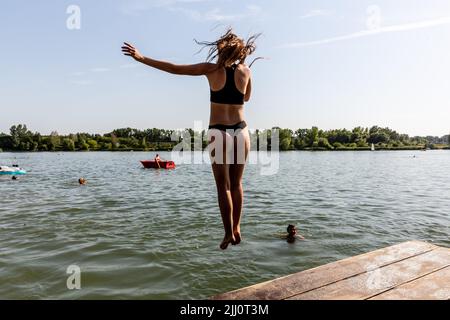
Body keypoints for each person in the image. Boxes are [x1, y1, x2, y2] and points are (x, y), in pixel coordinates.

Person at [122, 28, 261, 250]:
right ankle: (237, 228)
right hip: (241, 131)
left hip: (219, 132)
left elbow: (175, 68)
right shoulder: (246, 72)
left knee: (222, 186)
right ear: (240, 51)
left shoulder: (211, 69)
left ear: (221, 50)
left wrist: (142, 58)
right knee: (236, 184)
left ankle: (227, 234)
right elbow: (247, 97)